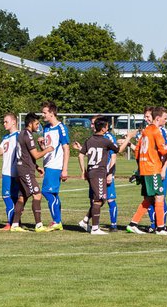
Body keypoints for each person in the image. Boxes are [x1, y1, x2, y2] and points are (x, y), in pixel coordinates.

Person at [126, 107, 167, 235]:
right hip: (153, 169)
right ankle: (161, 228)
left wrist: (139, 167)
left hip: (145, 168)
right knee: (159, 196)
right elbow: (163, 150)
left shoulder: (145, 131)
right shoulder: (156, 131)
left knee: (149, 199)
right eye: (164, 118)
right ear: (158, 118)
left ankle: (133, 224)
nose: (166, 120)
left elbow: (137, 151)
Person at [76, 117, 118, 235]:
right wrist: (128, 139)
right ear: (104, 128)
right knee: (99, 200)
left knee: (100, 199)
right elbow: (117, 151)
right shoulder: (105, 140)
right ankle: (95, 228)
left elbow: (80, 155)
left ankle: (85, 221)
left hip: (91, 172)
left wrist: (83, 171)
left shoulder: (89, 140)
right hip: (99, 173)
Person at [7, 114, 47, 232]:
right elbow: (35, 154)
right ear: (30, 123)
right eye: (36, 123)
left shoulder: (21, 134)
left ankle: (14, 225)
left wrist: (36, 166)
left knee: (22, 197)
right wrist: (47, 149)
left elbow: (26, 155)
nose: (38, 126)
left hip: (23, 169)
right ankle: (39, 225)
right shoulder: (28, 135)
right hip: (25, 171)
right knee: (37, 194)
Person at [39, 101, 70, 230]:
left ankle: (56, 221)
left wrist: (65, 169)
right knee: (54, 194)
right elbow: (49, 148)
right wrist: (42, 146)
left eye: (45, 112)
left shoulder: (61, 128)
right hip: (48, 165)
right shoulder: (46, 128)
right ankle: (58, 221)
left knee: (46, 192)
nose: (43, 115)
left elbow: (66, 149)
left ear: (52, 113)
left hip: (55, 166)